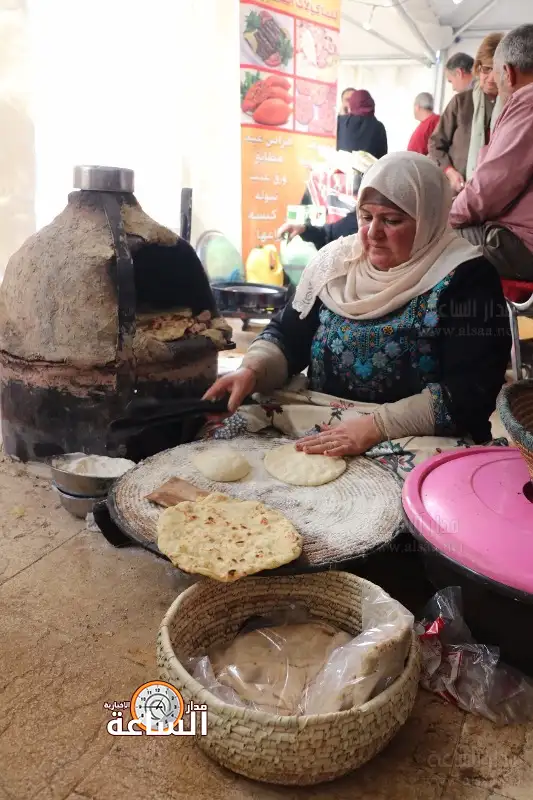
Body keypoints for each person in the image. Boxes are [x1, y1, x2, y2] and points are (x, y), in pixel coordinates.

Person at [205, 153, 510, 462]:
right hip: (322, 419)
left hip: (413, 435)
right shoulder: (335, 264)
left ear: (428, 218)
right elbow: (288, 335)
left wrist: (376, 427)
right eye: (365, 217)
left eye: (391, 220)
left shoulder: (468, 277)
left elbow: (471, 390)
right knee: (222, 435)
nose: (373, 233)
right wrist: (253, 370)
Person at [450, 25, 533, 281]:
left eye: (493, 72)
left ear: (507, 72)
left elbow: (490, 188)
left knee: (430, 239)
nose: (490, 80)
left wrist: (445, 216)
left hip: (522, 244)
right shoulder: (461, 102)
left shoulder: (526, 104)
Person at [429, 33, 504, 194]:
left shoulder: (513, 105)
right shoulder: (461, 102)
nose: (491, 78)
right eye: (486, 69)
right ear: (478, 68)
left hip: (497, 193)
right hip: (458, 193)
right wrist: (449, 171)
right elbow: (435, 144)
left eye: (497, 70)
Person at [336, 90, 388, 159]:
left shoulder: (342, 123)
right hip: (371, 166)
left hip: (344, 165)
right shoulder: (378, 126)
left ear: (353, 103)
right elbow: (383, 156)